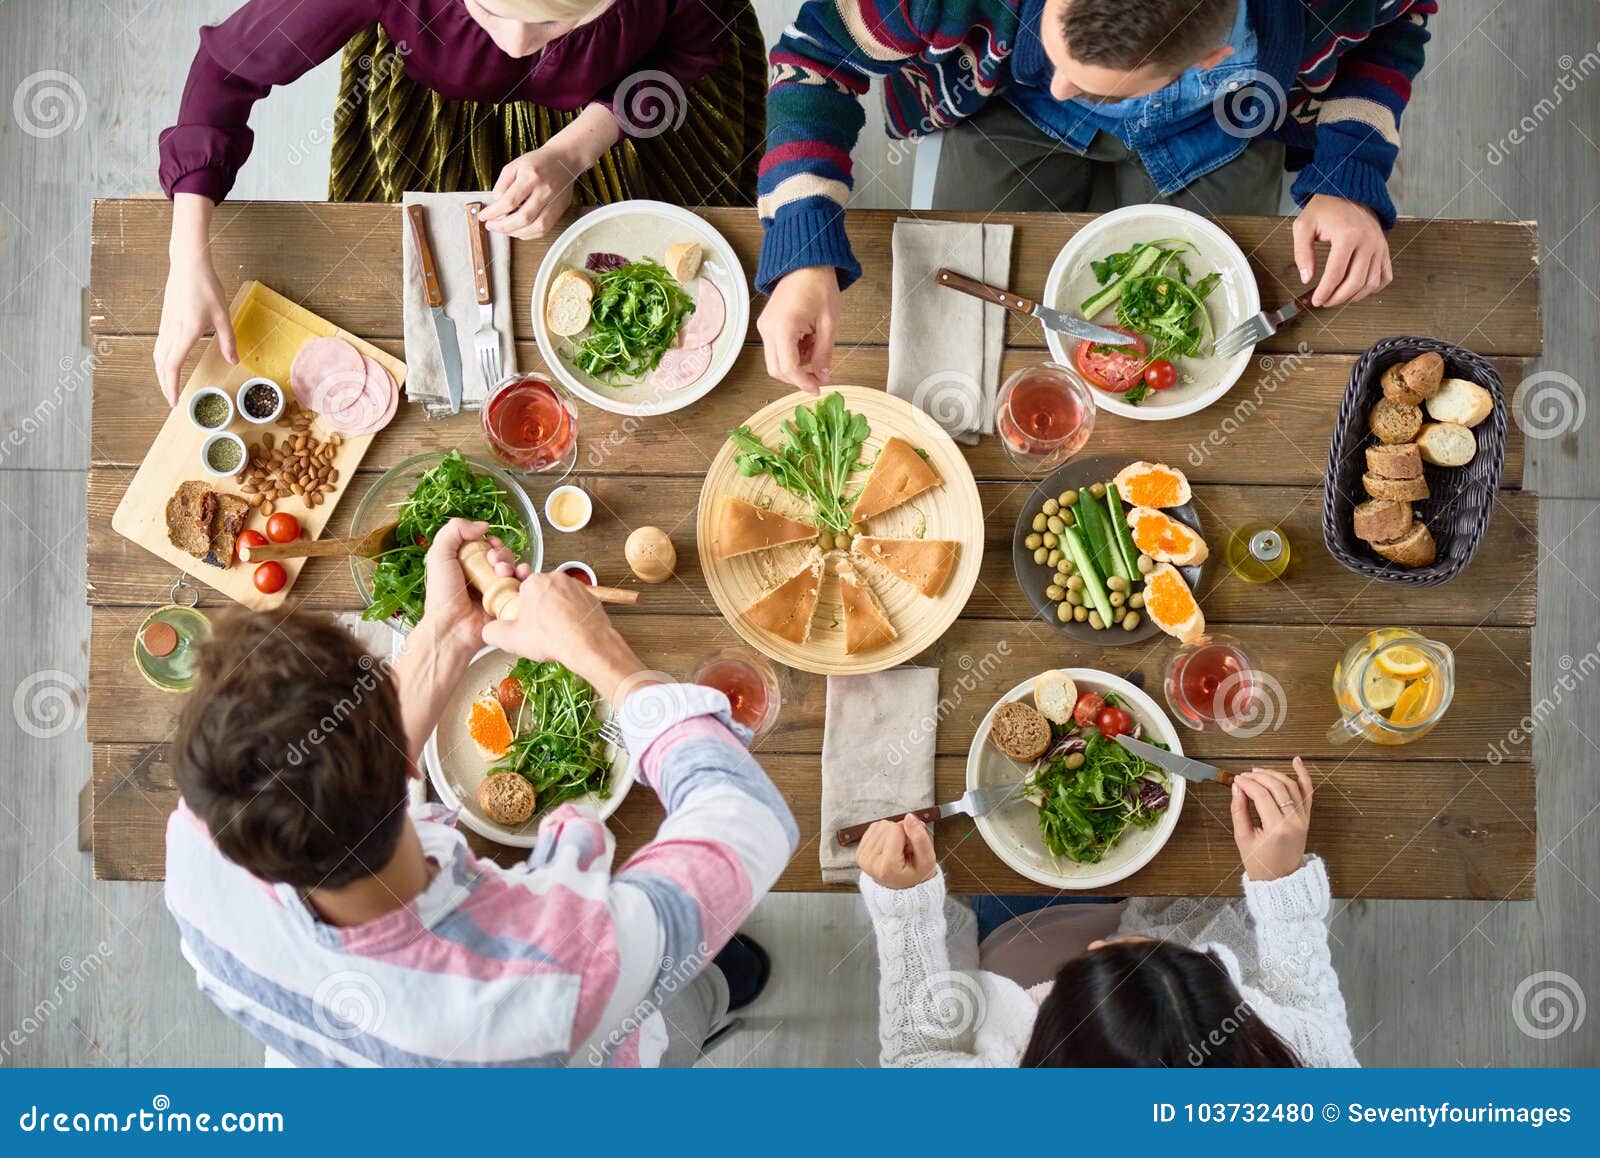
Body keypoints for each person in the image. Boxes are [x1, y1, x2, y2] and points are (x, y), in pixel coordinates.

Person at [165, 518, 797, 1066]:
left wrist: (446, 632)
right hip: (573, 1055)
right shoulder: (554, 978)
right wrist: (600, 652)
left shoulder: (202, 835)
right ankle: (712, 995)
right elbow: (752, 817)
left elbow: (341, 772)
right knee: (679, 1003)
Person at [757, 0, 1432, 392]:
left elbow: (1395, 31)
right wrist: (803, 250)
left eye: (1091, 84)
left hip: (1228, 121)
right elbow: (814, 59)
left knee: (1210, 342)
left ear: (1210, 54)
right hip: (1004, 105)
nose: (1063, 87)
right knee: (952, 317)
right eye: (1058, 56)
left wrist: (1350, 176)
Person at [155, 0, 766, 401]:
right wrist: (188, 255)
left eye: (559, 22)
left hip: (623, 109)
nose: (519, 44)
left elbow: (688, 52)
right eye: (490, 7)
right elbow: (225, 72)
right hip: (433, 109)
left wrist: (573, 154)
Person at [853, 758, 1358, 1067]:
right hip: (1184, 899)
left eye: (1084, 968)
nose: (1095, 947)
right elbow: (1311, 1009)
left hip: (1021, 936)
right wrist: (1281, 883)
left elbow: (914, 1059)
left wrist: (906, 909)